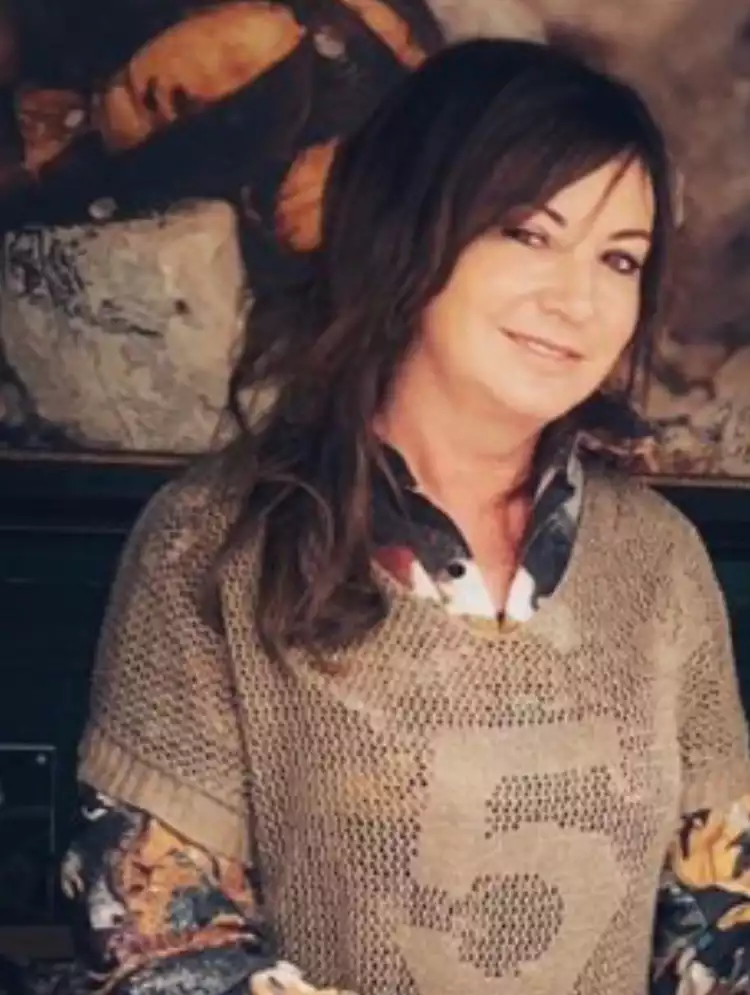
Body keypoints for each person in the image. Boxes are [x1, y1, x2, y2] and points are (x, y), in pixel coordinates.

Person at [61, 37, 750, 995]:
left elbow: (720, 921)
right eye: (528, 234)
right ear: (409, 226)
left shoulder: (661, 561)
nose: (578, 299)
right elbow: (158, 944)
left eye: (619, 258)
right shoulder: (211, 544)